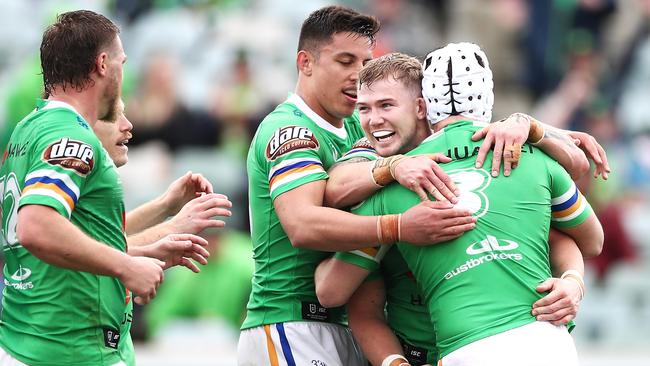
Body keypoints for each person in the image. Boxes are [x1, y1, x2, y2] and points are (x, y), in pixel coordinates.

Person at [315, 52, 606, 366]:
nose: (374, 120)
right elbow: (589, 232)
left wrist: (573, 281)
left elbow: (562, 236)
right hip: (532, 345)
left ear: (422, 107)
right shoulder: (524, 153)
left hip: (466, 349)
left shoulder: (512, 142)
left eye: (387, 105)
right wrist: (396, 205)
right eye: (364, 109)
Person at [238, 6, 477, 366]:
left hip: (344, 323)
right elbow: (303, 226)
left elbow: (449, 133)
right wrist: (399, 226)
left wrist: (531, 129)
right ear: (305, 63)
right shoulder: (290, 131)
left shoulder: (357, 125)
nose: (358, 75)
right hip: (292, 322)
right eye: (345, 61)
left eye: (365, 63)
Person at [0, 10, 187, 365]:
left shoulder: (25, 130)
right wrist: (126, 266)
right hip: (70, 348)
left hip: (28, 337)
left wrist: (163, 215)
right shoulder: (71, 135)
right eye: (122, 61)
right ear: (103, 64)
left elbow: (79, 232)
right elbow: (36, 226)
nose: (124, 71)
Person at [93, 101, 234, 366]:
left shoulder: (89, 176)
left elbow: (105, 239)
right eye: (113, 117)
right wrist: (167, 232)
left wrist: (165, 206)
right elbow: (77, 251)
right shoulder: (74, 169)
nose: (128, 125)